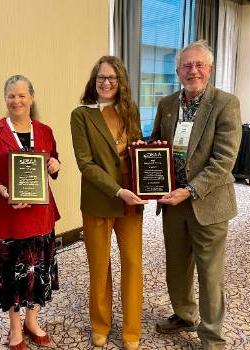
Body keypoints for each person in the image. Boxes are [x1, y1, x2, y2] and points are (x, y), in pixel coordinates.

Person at [151, 40, 242, 350]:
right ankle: (184, 314)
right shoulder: (166, 105)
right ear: (178, 71)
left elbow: (223, 161)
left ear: (210, 70)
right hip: (172, 204)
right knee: (176, 267)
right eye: (187, 66)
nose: (193, 70)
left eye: (199, 65)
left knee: (210, 273)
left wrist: (189, 190)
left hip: (208, 202)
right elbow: (154, 147)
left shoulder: (225, 103)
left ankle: (213, 337)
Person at [0, 75, 60, 350]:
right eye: (11, 96)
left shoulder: (45, 130)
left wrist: (56, 165)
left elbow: (54, 158)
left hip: (41, 216)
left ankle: (32, 321)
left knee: (39, 270)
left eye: (22, 95)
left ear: (31, 98)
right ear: (5, 99)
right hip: (8, 215)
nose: (17, 101)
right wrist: (1, 190)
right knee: (12, 273)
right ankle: (14, 328)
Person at [70, 56, 148, 350]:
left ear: (121, 82)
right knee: (100, 267)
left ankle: (131, 331)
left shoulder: (130, 111)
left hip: (132, 200)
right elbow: (85, 164)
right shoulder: (81, 115)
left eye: (112, 79)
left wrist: (141, 149)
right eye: (101, 77)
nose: (106, 83)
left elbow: (138, 147)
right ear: (94, 80)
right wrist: (116, 190)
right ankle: (100, 325)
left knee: (132, 265)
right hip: (99, 201)